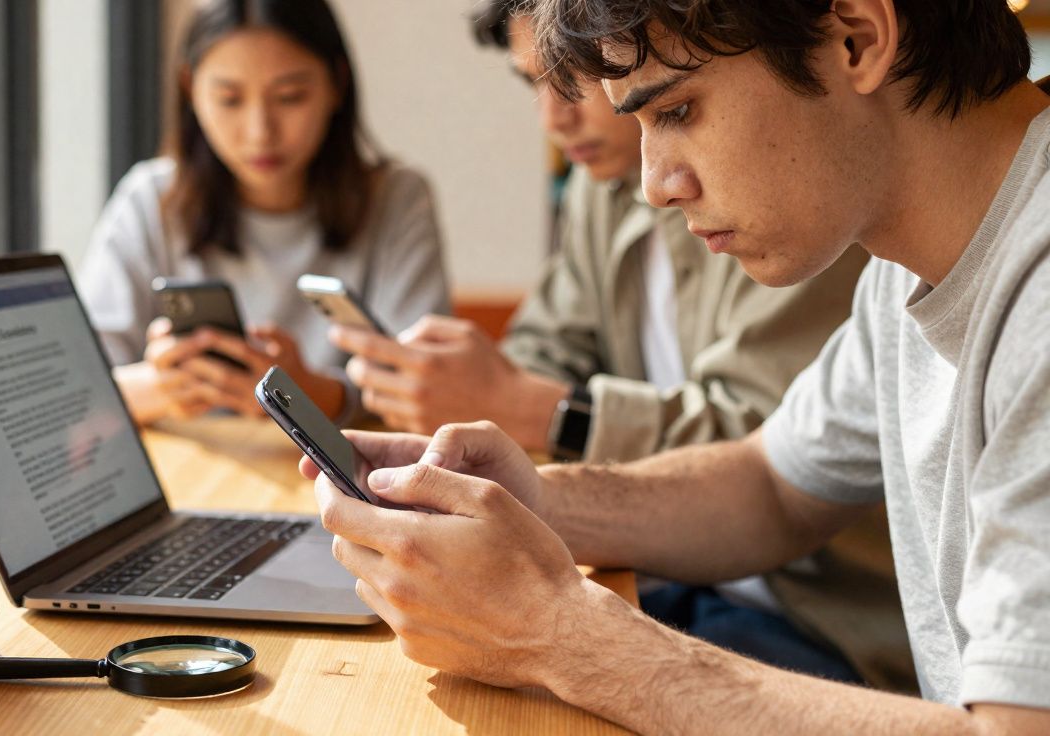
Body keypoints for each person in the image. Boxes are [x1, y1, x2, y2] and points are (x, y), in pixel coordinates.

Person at [304, 0, 1050, 732]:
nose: (656, 183)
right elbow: (772, 488)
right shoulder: (907, 263)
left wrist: (557, 633)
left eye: (677, 112)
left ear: (856, 38)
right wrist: (527, 501)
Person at [78, 0, 449, 426]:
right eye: (229, 99)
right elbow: (79, 390)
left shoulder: (396, 199)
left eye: (290, 97)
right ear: (190, 89)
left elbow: (426, 392)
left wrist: (311, 394)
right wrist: (160, 387)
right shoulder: (151, 199)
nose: (260, 132)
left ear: (337, 84)